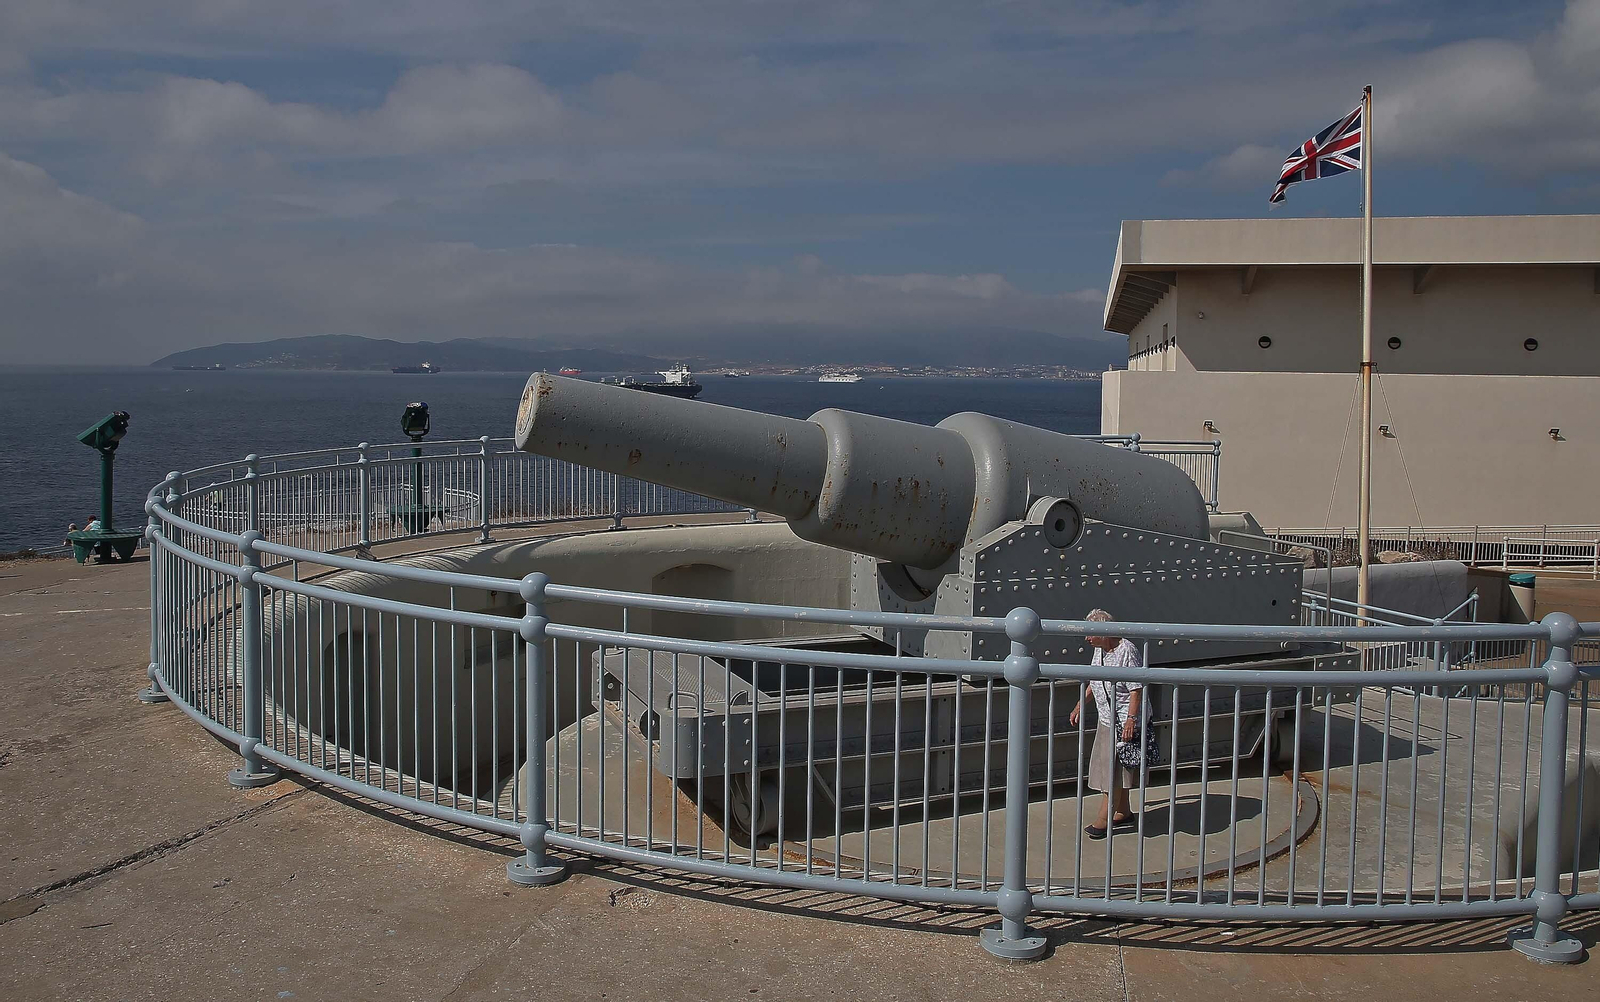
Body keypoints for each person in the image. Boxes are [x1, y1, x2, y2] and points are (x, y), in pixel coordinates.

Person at [1068, 608, 1145, 840]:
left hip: (1123, 721)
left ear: (1104, 632)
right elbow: (1096, 679)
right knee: (1112, 767)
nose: (1087, 638)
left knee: (1112, 771)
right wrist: (1081, 704)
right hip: (1107, 718)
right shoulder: (1100, 651)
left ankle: (1104, 819)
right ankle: (1122, 811)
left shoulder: (1126, 650)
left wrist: (1132, 719)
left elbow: (1136, 689)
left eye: (1091, 633)